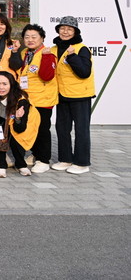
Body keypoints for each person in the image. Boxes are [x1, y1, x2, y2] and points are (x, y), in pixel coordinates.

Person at [8, 23, 56, 174]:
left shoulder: (47, 53)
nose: (30, 40)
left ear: (42, 38)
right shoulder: (25, 53)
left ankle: (44, 160)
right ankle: (35, 154)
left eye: (34, 37)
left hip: (43, 99)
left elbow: (47, 76)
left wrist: (47, 57)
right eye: (27, 37)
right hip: (27, 98)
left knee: (42, 129)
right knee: (29, 128)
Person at [51, 16, 95, 175]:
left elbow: (84, 72)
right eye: (62, 28)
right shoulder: (53, 49)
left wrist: (72, 56)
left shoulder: (81, 49)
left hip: (80, 96)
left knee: (81, 130)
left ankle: (82, 163)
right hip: (61, 95)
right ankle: (65, 159)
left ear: (75, 32)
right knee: (62, 128)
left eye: (69, 29)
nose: (65, 32)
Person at [0, 72, 40, 178]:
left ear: (11, 85)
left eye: (5, 84)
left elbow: (20, 128)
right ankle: (0, 165)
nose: (1, 87)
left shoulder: (21, 101)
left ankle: (21, 164)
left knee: (16, 141)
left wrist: (18, 118)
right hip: (1, 121)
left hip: (17, 124)